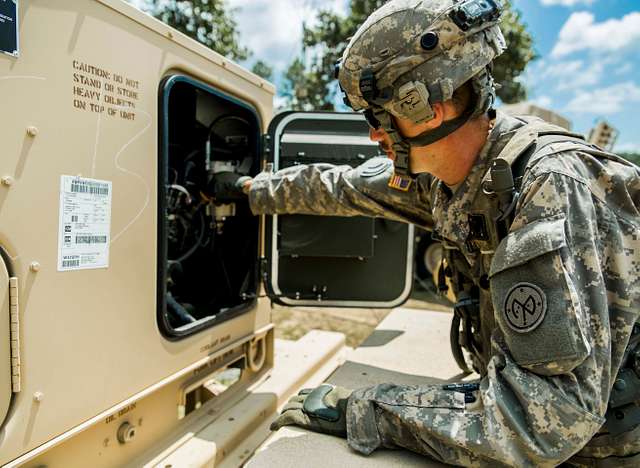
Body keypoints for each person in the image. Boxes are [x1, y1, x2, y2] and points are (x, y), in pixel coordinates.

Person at [222, 0, 640, 465]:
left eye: (377, 118)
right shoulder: (449, 179)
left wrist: (370, 410)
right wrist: (247, 189)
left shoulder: (548, 186)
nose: (374, 136)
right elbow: (341, 187)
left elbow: (545, 421)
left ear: (426, 109)